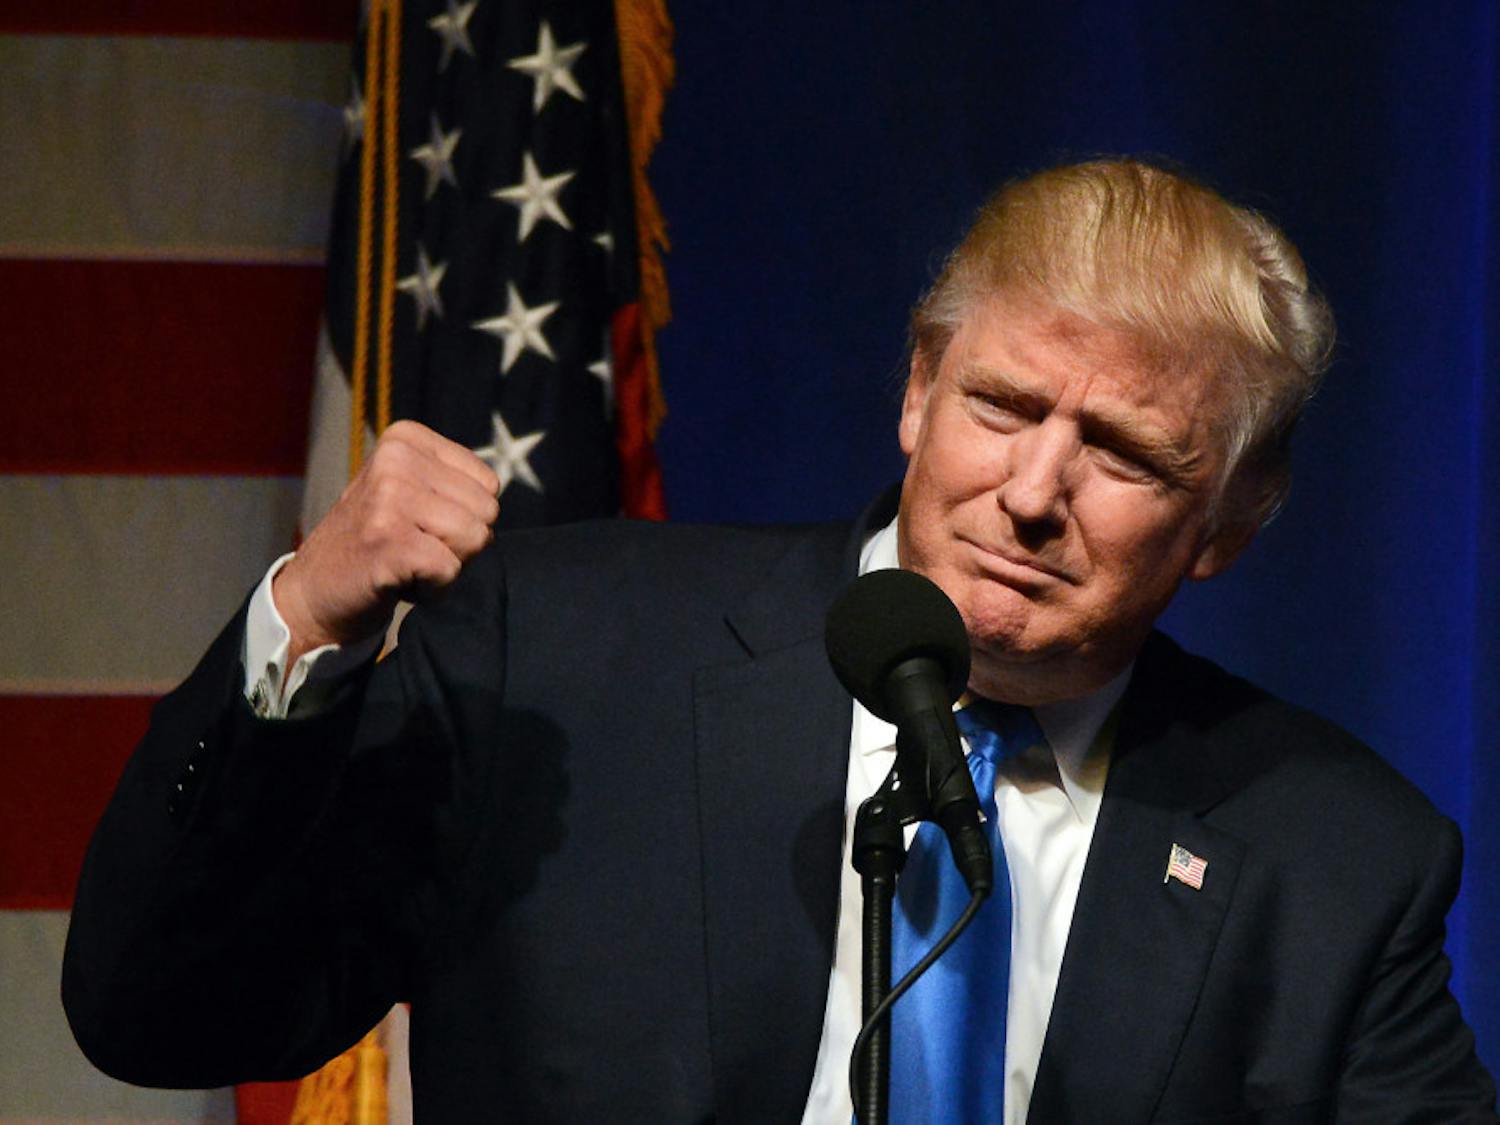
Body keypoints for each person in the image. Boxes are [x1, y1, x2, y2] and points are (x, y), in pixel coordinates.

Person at [64, 159, 1496, 1122]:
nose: (1036, 491)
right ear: (918, 392)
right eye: (1003, 405)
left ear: (1231, 522)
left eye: (1124, 452)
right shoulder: (563, 656)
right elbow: (162, 1010)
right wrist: (305, 620)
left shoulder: (1334, 858)